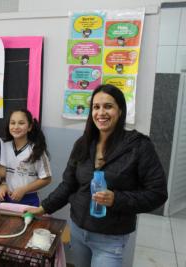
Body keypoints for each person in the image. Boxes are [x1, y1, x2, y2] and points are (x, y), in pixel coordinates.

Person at [26, 84, 167, 267]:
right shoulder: (83, 144)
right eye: (96, 107)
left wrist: (117, 199)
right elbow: (69, 185)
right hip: (78, 231)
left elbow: (158, 193)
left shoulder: (138, 147)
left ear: (120, 110)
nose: (101, 112)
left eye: (108, 106)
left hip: (111, 239)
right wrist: (42, 208)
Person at [0, 109, 52, 207]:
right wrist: (3, 185)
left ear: (29, 127)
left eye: (21, 123)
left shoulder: (36, 150)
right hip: (6, 199)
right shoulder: (3, 147)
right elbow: (1, 173)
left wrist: (24, 189)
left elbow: (46, 178)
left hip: (29, 200)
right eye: (12, 123)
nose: (16, 127)